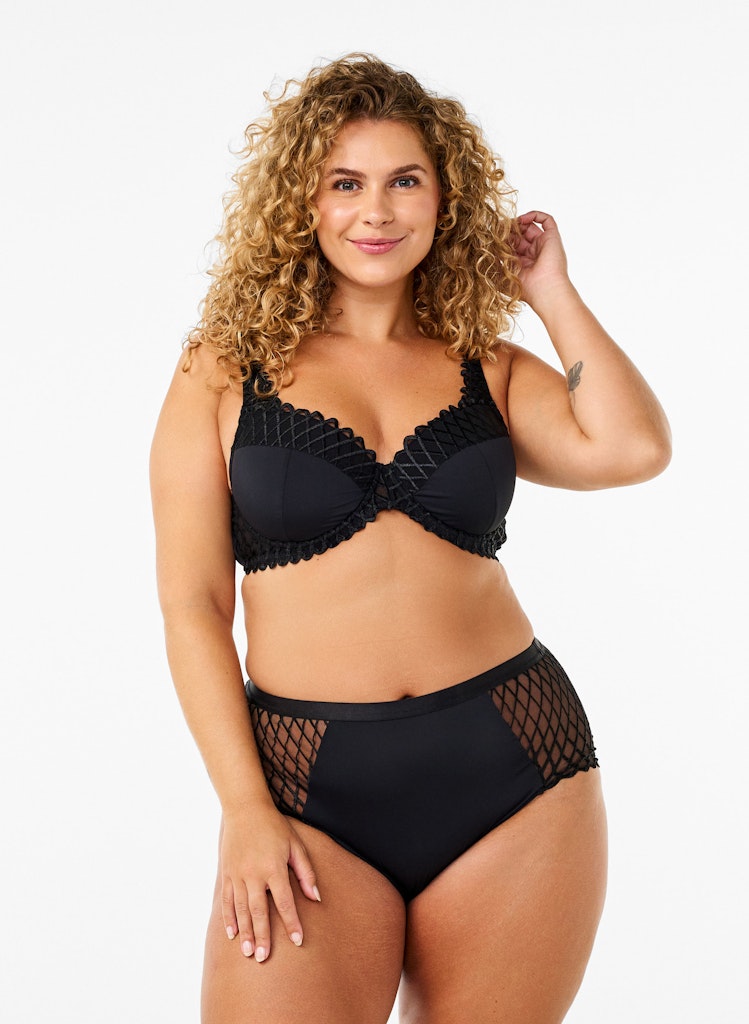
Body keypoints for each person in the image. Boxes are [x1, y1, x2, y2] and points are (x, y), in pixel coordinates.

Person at [150, 53, 671, 1024]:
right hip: (304, 787)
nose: (376, 211)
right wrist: (245, 810)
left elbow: (631, 448)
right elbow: (193, 605)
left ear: (442, 199)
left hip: (516, 770)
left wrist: (549, 292)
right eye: (345, 183)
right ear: (302, 201)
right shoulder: (222, 370)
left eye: (404, 181)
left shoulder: (487, 365)